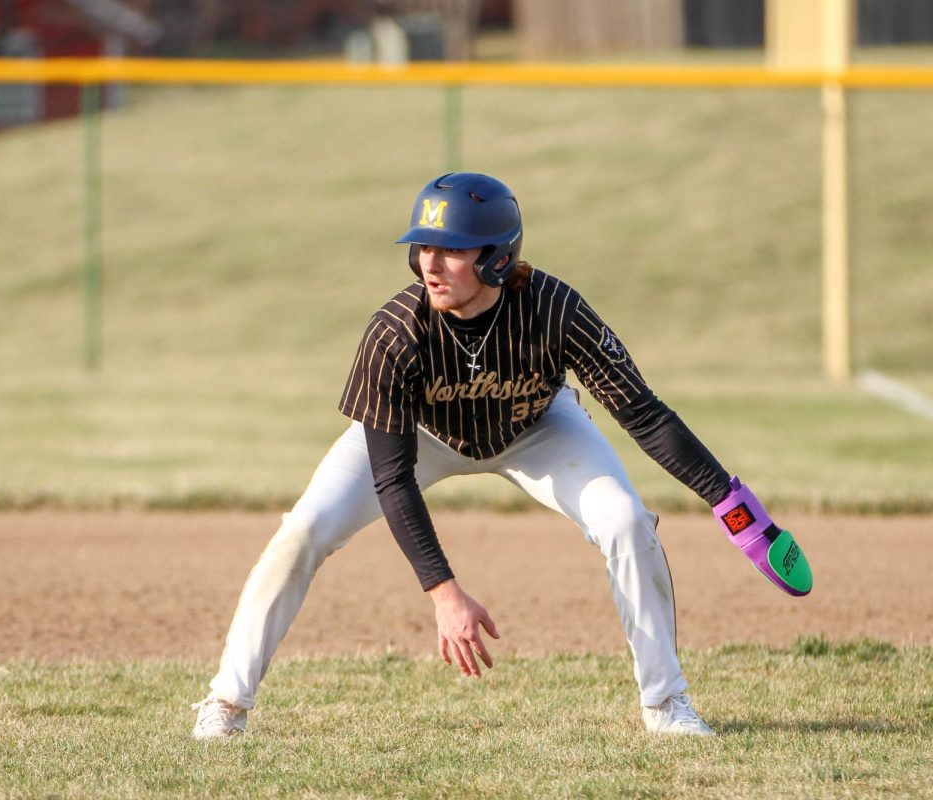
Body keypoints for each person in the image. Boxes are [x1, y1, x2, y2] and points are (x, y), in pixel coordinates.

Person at [191, 172, 811, 740]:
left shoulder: (555, 310)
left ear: (497, 258)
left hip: (536, 426)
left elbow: (642, 412)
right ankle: (226, 703)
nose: (430, 265)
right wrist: (444, 593)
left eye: (451, 249)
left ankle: (666, 701)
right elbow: (391, 477)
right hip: (418, 437)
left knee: (625, 520)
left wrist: (735, 508)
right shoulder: (395, 334)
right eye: (422, 248)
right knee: (302, 530)